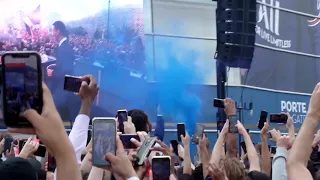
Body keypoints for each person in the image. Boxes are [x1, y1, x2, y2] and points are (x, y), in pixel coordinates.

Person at [47, 21, 76, 121]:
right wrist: (57, 65)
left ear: (58, 31)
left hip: (61, 88)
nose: (52, 33)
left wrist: (53, 73)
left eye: (53, 30)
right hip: (63, 88)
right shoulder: (63, 46)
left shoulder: (63, 48)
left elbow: (66, 70)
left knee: (55, 112)